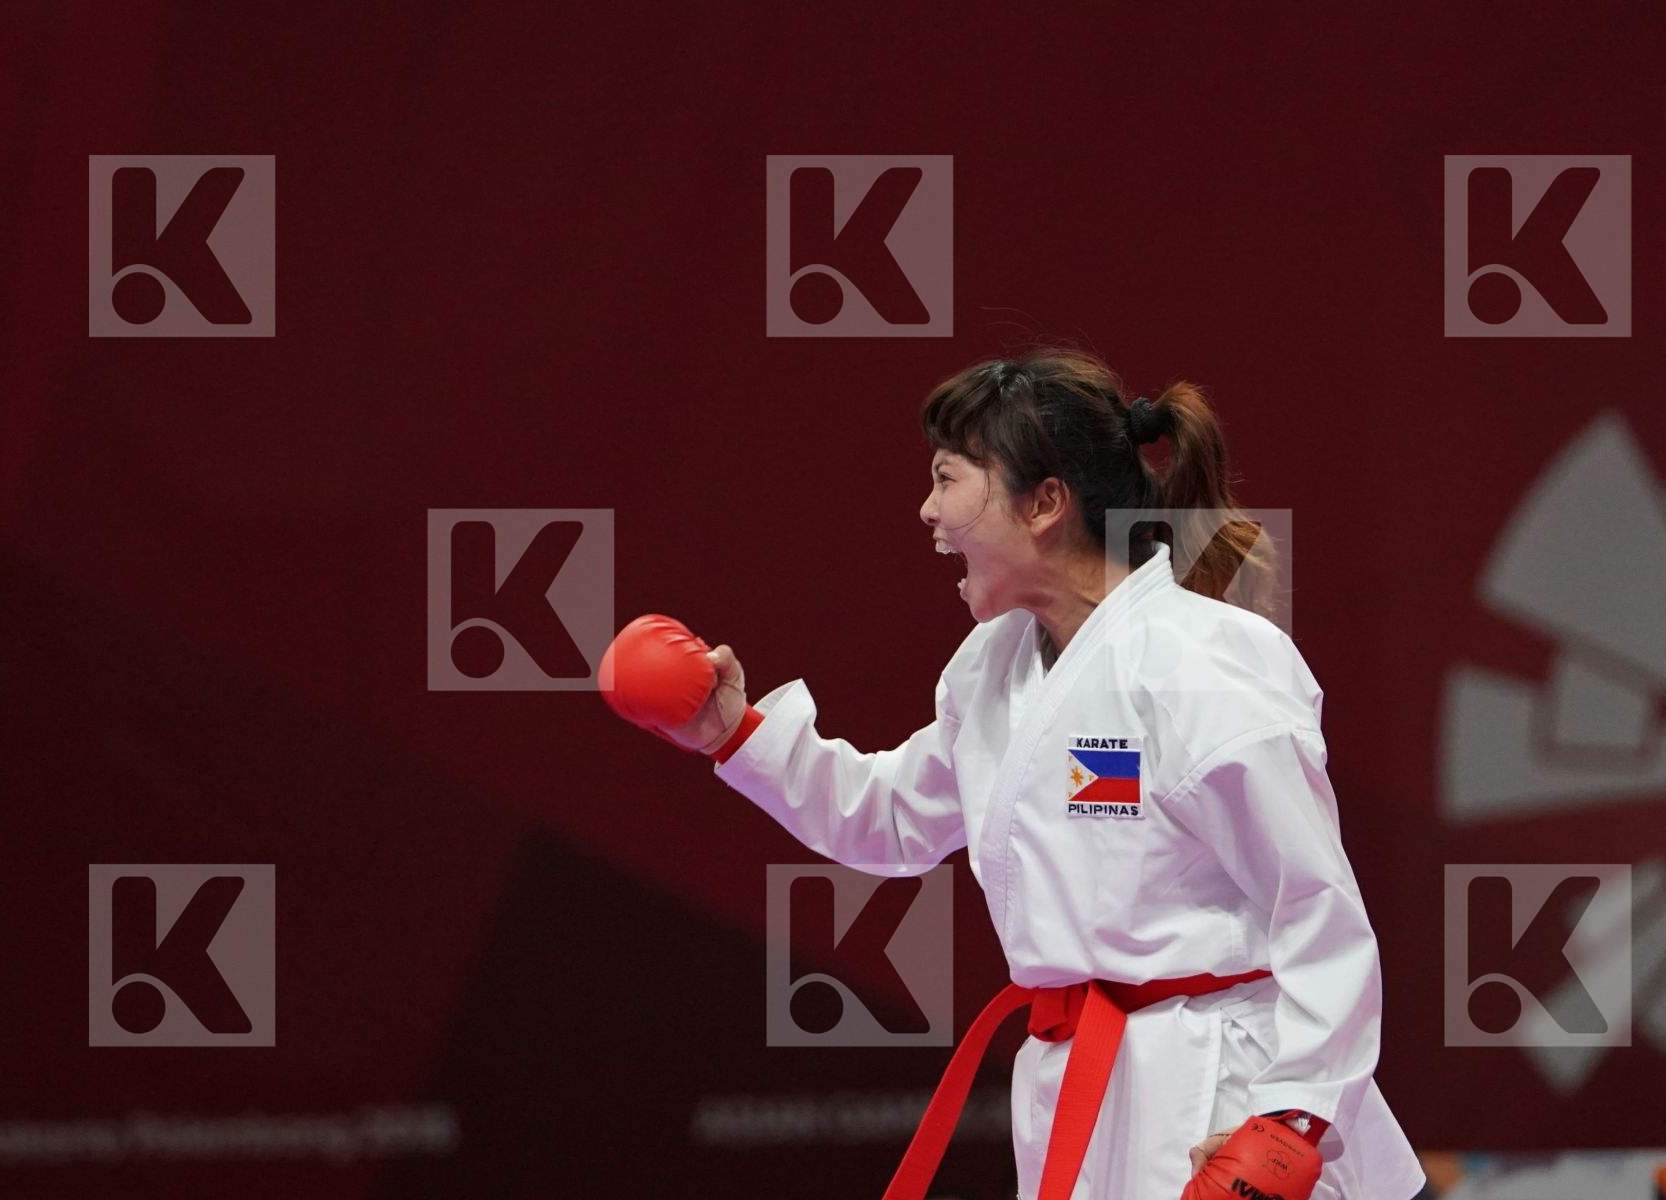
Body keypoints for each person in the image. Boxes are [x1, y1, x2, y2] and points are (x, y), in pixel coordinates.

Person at [599, 348, 1427, 1200]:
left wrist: (1291, 1121)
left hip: (1222, 1091)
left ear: (1045, 503)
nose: (927, 510)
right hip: (1079, 1086)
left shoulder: (1198, 662)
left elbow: (1316, 903)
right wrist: (733, 732)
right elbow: (888, 821)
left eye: (947, 478)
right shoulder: (991, 668)